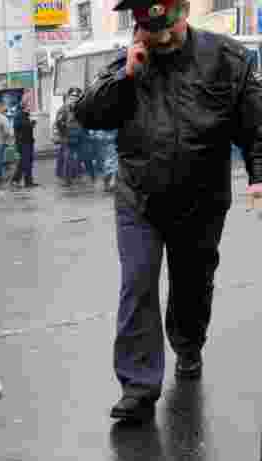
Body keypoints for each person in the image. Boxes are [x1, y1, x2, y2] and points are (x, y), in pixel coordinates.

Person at [74, 0, 262, 422]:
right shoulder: (127, 62)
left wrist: (258, 175)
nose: (159, 39)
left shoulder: (228, 58)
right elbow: (87, 115)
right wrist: (126, 75)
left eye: (167, 30)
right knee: (137, 283)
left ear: (183, 12)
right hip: (139, 198)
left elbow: (256, 125)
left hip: (202, 200)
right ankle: (138, 388)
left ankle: (189, 343)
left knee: (192, 283)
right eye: (149, 30)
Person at [10, 101, 38, 188]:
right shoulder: (19, 115)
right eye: (28, 106)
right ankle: (20, 180)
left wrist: (30, 124)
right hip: (23, 143)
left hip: (27, 142)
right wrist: (31, 124)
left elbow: (24, 127)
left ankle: (26, 181)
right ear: (24, 107)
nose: (30, 108)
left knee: (25, 162)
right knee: (25, 162)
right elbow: (20, 127)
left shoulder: (24, 115)